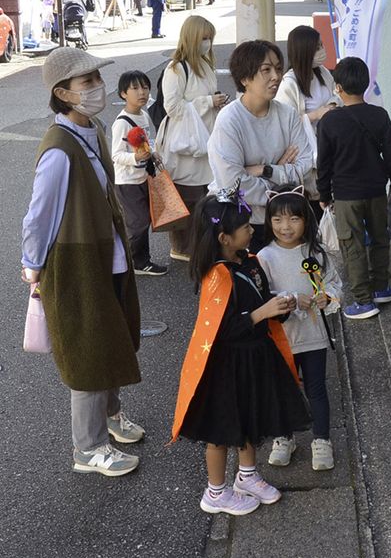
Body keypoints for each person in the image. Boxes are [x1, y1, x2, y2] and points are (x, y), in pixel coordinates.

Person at [22, 46, 144, 477]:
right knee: (89, 351)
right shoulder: (59, 149)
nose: (97, 87)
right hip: (77, 263)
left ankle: (110, 419)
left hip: (105, 256)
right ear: (63, 93)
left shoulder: (91, 129)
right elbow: (40, 214)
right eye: (86, 82)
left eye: (96, 78)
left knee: (113, 338)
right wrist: (32, 263)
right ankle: (87, 448)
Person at [170, 189, 312, 516]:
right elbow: (221, 330)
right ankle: (215, 492)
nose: (252, 230)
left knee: (250, 418)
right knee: (220, 430)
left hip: (254, 358)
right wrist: (263, 312)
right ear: (224, 237)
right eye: (245, 227)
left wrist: (279, 307)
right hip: (224, 367)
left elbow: (260, 302)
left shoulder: (249, 262)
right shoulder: (218, 277)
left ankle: (247, 475)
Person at [257, 186, 342, 470]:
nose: (285, 226)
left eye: (294, 219)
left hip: (314, 336)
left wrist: (326, 296)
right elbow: (260, 298)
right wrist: (292, 300)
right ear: (269, 222)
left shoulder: (315, 252)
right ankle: (284, 437)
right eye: (278, 220)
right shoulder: (264, 257)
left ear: (306, 219)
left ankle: (321, 440)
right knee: (284, 389)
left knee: (317, 388)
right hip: (281, 338)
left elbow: (334, 284)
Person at [316, 57, 391, 320]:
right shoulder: (380, 115)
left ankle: (363, 301)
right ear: (366, 84)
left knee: (352, 245)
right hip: (377, 190)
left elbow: (324, 164)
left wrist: (323, 194)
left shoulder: (330, 122)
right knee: (380, 238)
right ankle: (382, 287)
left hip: (346, 195)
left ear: (338, 87)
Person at [207, 39, 314, 252]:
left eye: (278, 68)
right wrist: (280, 186)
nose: (276, 76)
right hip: (242, 224)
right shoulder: (230, 120)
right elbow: (232, 183)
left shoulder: (287, 114)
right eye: (266, 70)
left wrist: (265, 170)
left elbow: (305, 166)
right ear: (245, 78)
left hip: (281, 222)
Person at [161, 15, 226, 261]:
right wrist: (208, 102)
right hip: (186, 143)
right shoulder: (176, 69)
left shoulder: (205, 64)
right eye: (204, 38)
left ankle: (199, 244)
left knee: (203, 193)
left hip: (205, 138)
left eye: (210, 38)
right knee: (186, 194)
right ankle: (182, 246)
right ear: (192, 38)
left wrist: (216, 101)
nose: (208, 43)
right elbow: (173, 107)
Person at [111, 70, 167, 276]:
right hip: (127, 181)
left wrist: (152, 154)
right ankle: (136, 261)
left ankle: (137, 260)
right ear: (123, 93)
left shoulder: (143, 115)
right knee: (138, 222)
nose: (141, 92)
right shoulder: (122, 123)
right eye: (134, 88)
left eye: (144, 87)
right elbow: (116, 155)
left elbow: (145, 143)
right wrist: (135, 158)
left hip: (142, 177)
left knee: (141, 221)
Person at [276, 25, 340, 198]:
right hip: (307, 154)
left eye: (321, 45)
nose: (322, 51)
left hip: (329, 145)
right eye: (317, 48)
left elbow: (336, 94)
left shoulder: (323, 72)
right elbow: (286, 123)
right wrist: (316, 114)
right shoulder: (289, 84)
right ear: (304, 52)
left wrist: (332, 105)